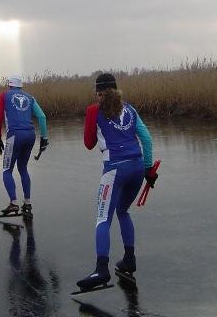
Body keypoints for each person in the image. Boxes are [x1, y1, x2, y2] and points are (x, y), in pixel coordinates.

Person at [76, 73, 159, 290]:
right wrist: (148, 170)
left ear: (100, 93)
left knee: (103, 218)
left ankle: (101, 270)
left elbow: (88, 143)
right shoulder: (130, 109)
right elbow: (147, 139)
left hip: (114, 169)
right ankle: (129, 259)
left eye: (97, 92)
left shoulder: (93, 111)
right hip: (137, 166)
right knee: (123, 211)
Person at [0, 75, 49, 217]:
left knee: (7, 170)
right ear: (21, 86)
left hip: (14, 136)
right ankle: (27, 202)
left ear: (9, 85)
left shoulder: (4, 95)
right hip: (30, 135)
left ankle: (13, 202)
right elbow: (42, 117)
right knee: (23, 168)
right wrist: (44, 138)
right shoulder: (30, 97)